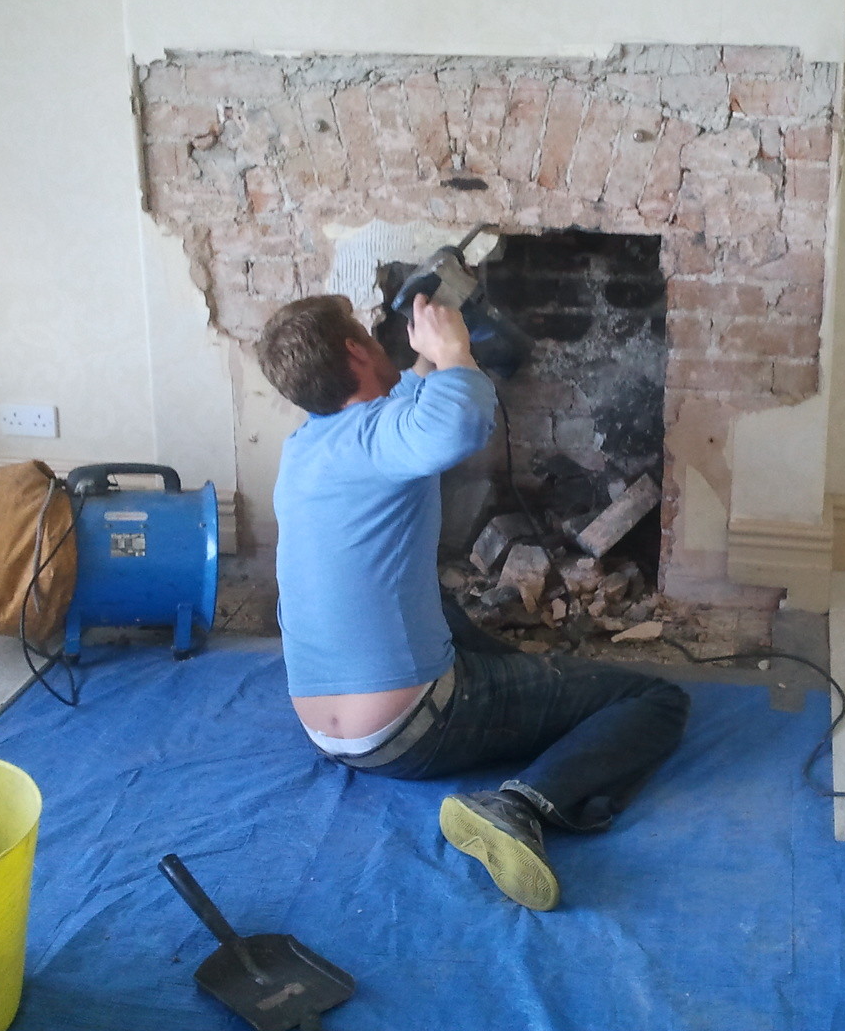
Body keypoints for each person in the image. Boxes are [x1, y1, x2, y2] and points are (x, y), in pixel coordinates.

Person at [255, 291, 690, 911]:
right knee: (654, 699)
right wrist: (456, 352)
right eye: (365, 333)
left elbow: (405, 402)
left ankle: (519, 688)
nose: (379, 341)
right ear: (354, 348)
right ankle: (520, 805)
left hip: (324, 725)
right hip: (406, 731)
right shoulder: (384, 439)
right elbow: (457, 424)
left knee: (447, 608)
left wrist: (428, 359)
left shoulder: (311, 445)